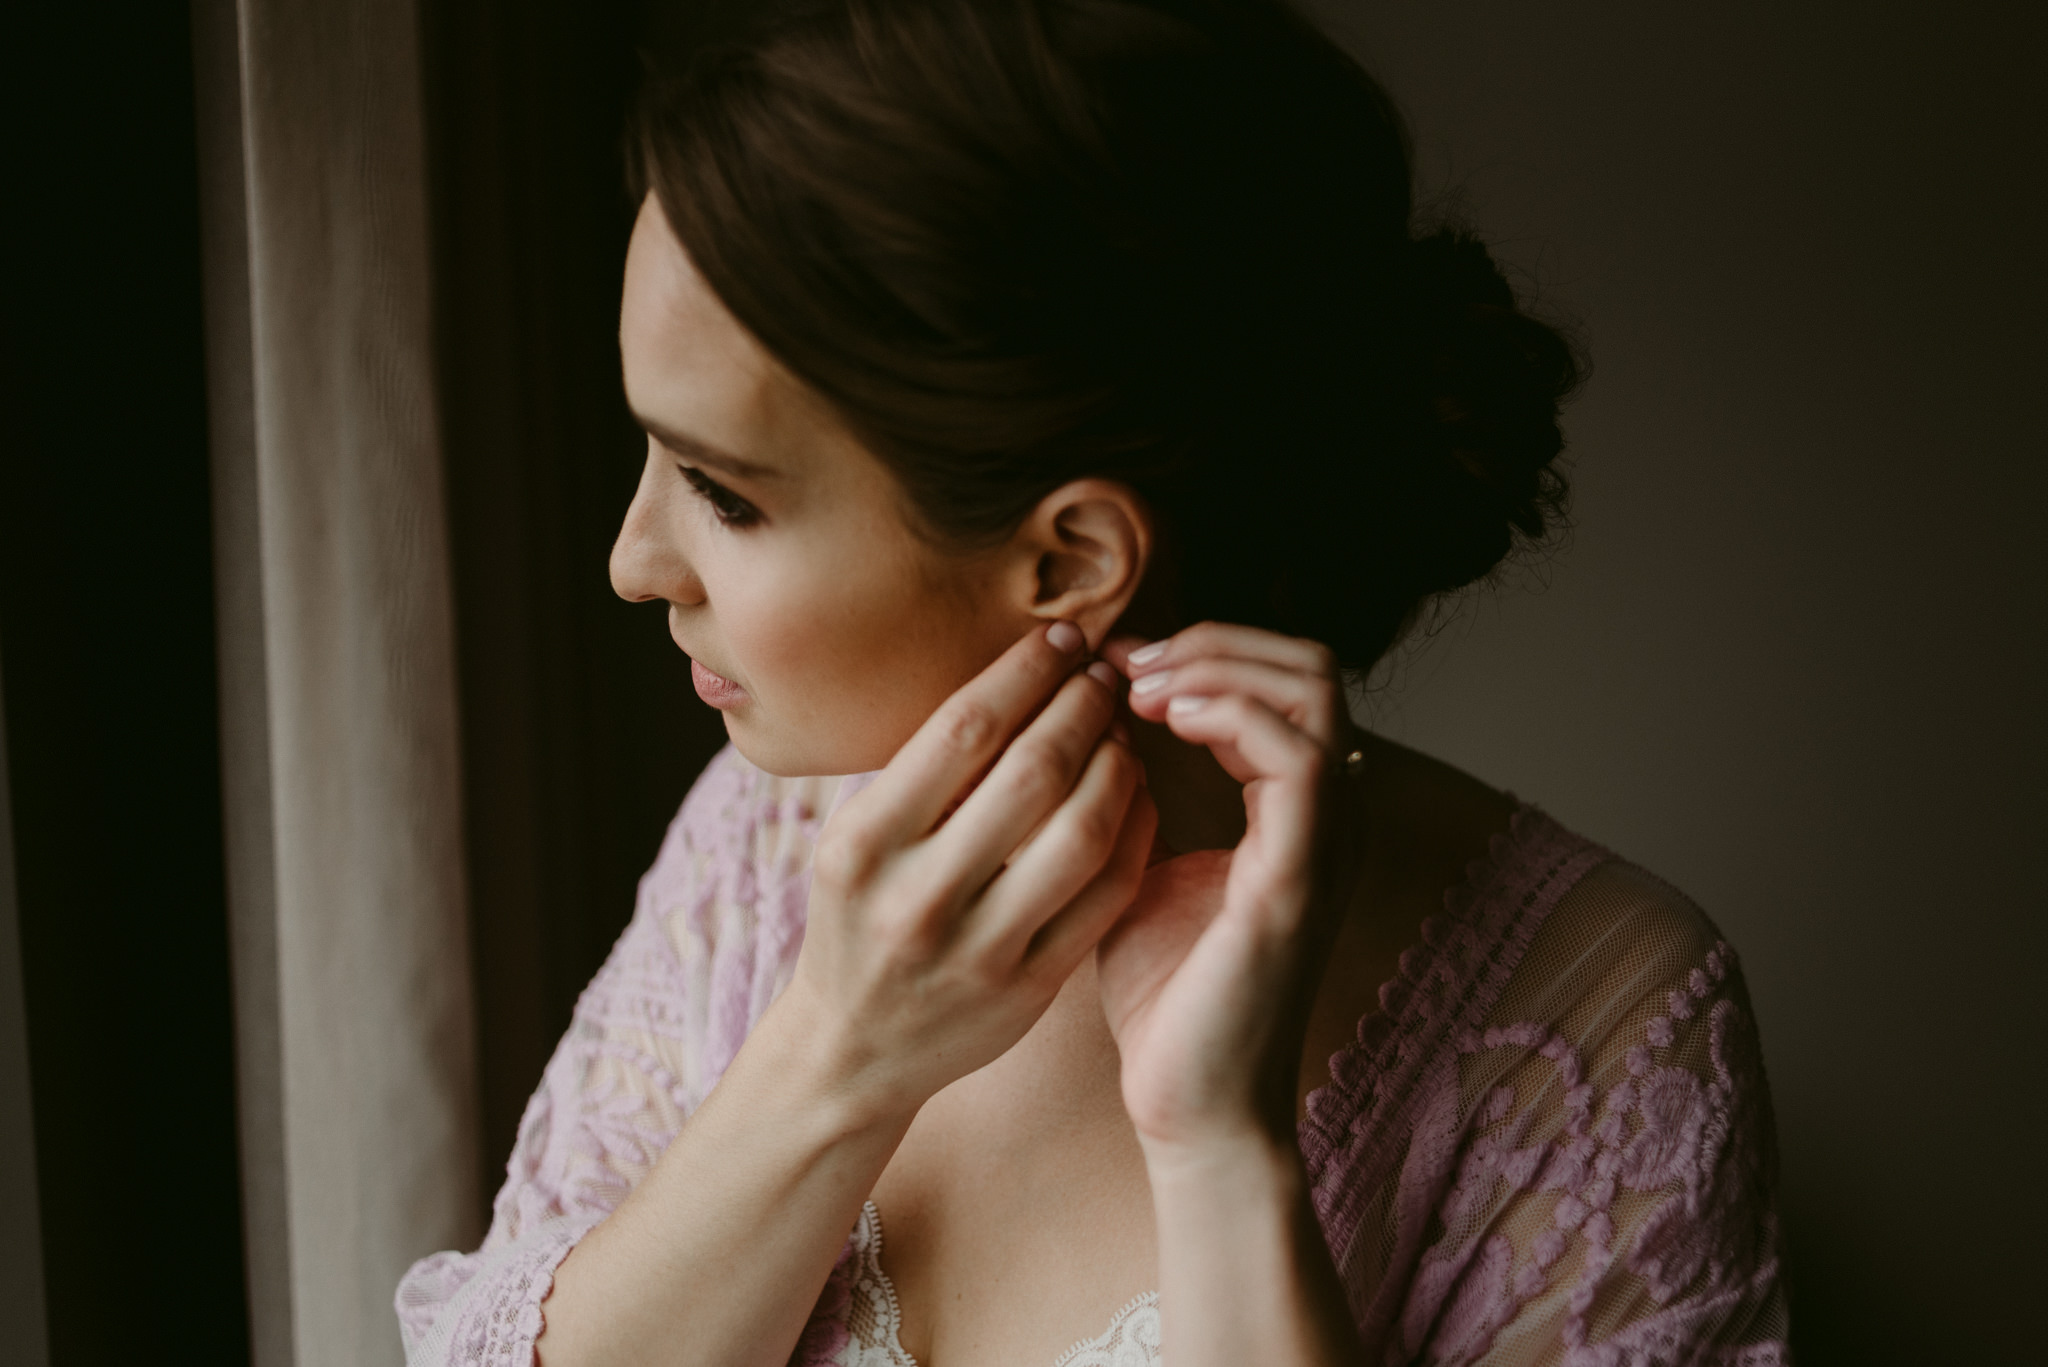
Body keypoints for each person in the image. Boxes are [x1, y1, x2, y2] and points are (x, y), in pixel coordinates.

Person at [395, 1, 1788, 1362]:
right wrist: (836, 1054)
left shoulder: (1604, 1025)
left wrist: (1223, 1156)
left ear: (1071, 560)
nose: (636, 562)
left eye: (723, 494)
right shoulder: (771, 847)